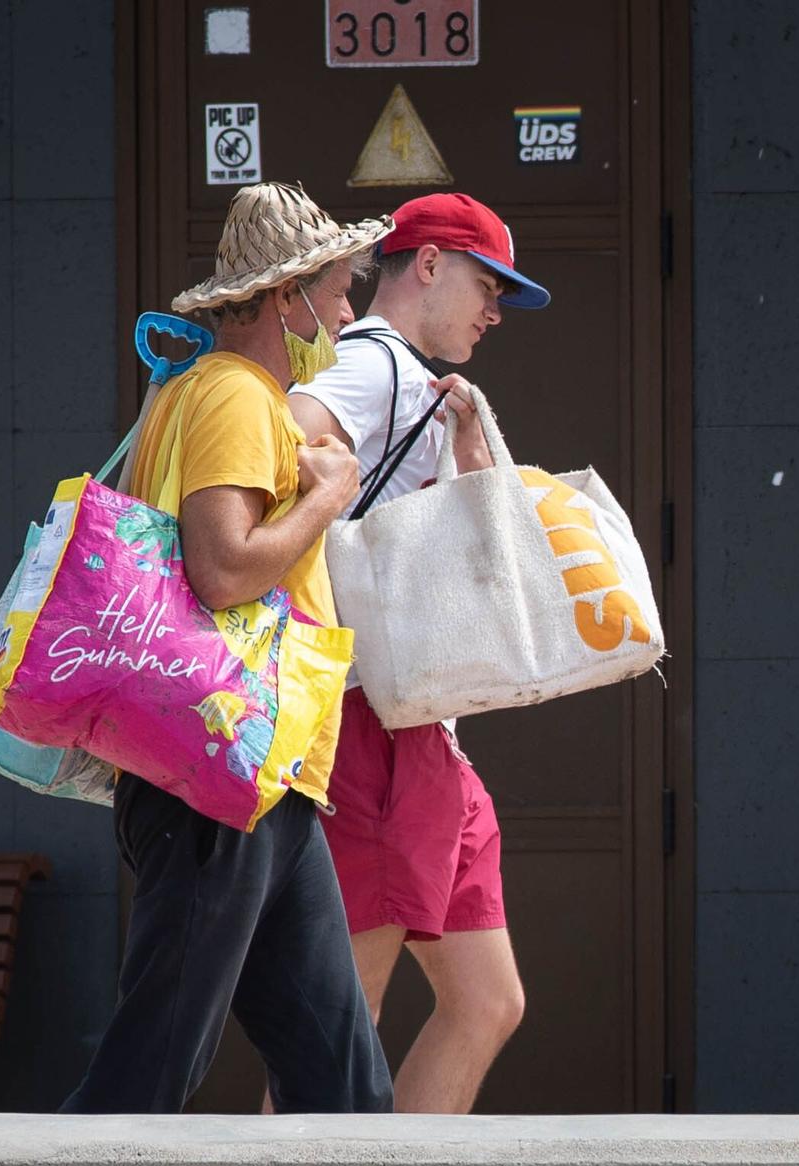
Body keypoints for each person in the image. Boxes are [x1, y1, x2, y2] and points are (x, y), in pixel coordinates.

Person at [62, 183, 394, 1115]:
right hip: (213, 774)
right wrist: (331, 493)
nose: (346, 312)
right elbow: (222, 566)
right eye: (335, 291)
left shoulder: (201, 393)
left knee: (344, 1081)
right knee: (151, 1067)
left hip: (259, 772)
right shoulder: (241, 398)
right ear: (284, 299)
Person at [288, 193, 550, 1112]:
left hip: (420, 726)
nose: (494, 312)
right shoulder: (378, 368)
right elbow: (289, 440)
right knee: (338, 1021)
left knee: (487, 1000)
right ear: (430, 264)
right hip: (367, 723)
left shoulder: (421, 385)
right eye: (488, 286)